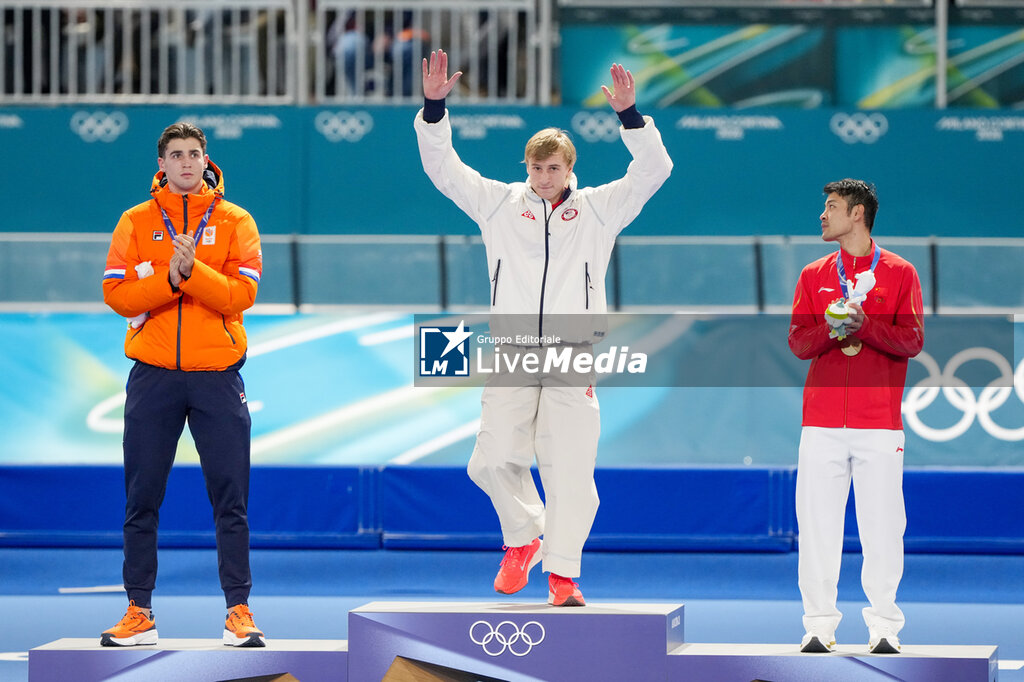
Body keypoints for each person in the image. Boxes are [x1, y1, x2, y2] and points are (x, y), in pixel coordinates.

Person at [415, 49, 672, 606]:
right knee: (489, 460)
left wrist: (631, 117)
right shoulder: (498, 204)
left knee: (571, 471)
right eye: (536, 168)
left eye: (554, 168)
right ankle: (525, 536)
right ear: (526, 167)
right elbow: (443, 167)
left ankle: (563, 576)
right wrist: (434, 106)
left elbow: (655, 170)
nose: (544, 177)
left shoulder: (602, 208)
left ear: (569, 167)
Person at [100, 122, 265, 647]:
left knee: (230, 499)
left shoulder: (237, 221)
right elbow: (119, 297)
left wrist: (191, 272)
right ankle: (138, 612)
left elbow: (241, 296)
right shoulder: (135, 221)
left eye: (195, 154)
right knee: (141, 498)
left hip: (217, 377)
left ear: (205, 159)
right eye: (177, 155)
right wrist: (170, 277)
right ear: (162, 164)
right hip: (153, 379)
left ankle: (238, 611)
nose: (187, 163)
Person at [788, 179, 924, 654]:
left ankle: (885, 625)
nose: (822, 215)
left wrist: (866, 326)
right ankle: (818, 625)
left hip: (879, 422)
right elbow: (798, 344)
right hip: (821, 423)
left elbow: (912, 342)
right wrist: (830, 327)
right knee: (817, 526)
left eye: (831, 207)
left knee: (883, 527)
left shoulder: (900, 272)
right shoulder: (813, 274)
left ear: (858, 214)